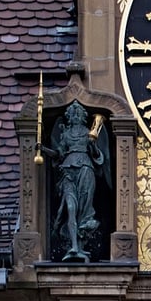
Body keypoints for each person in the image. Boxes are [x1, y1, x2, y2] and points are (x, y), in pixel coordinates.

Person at [49, 100, 110, 261]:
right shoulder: (66, 134)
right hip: (68, 171)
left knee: (85, 207)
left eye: (78, 113)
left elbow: (97, 156)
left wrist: (93, 144)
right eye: (72, 113)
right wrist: (42, 149)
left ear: (83, 116)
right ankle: (73, 246)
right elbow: (58, 154)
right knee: (70, 208)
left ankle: (80, 245)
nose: (75, 115)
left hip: (86, 169)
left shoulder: (88, 132)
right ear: (68, 116)